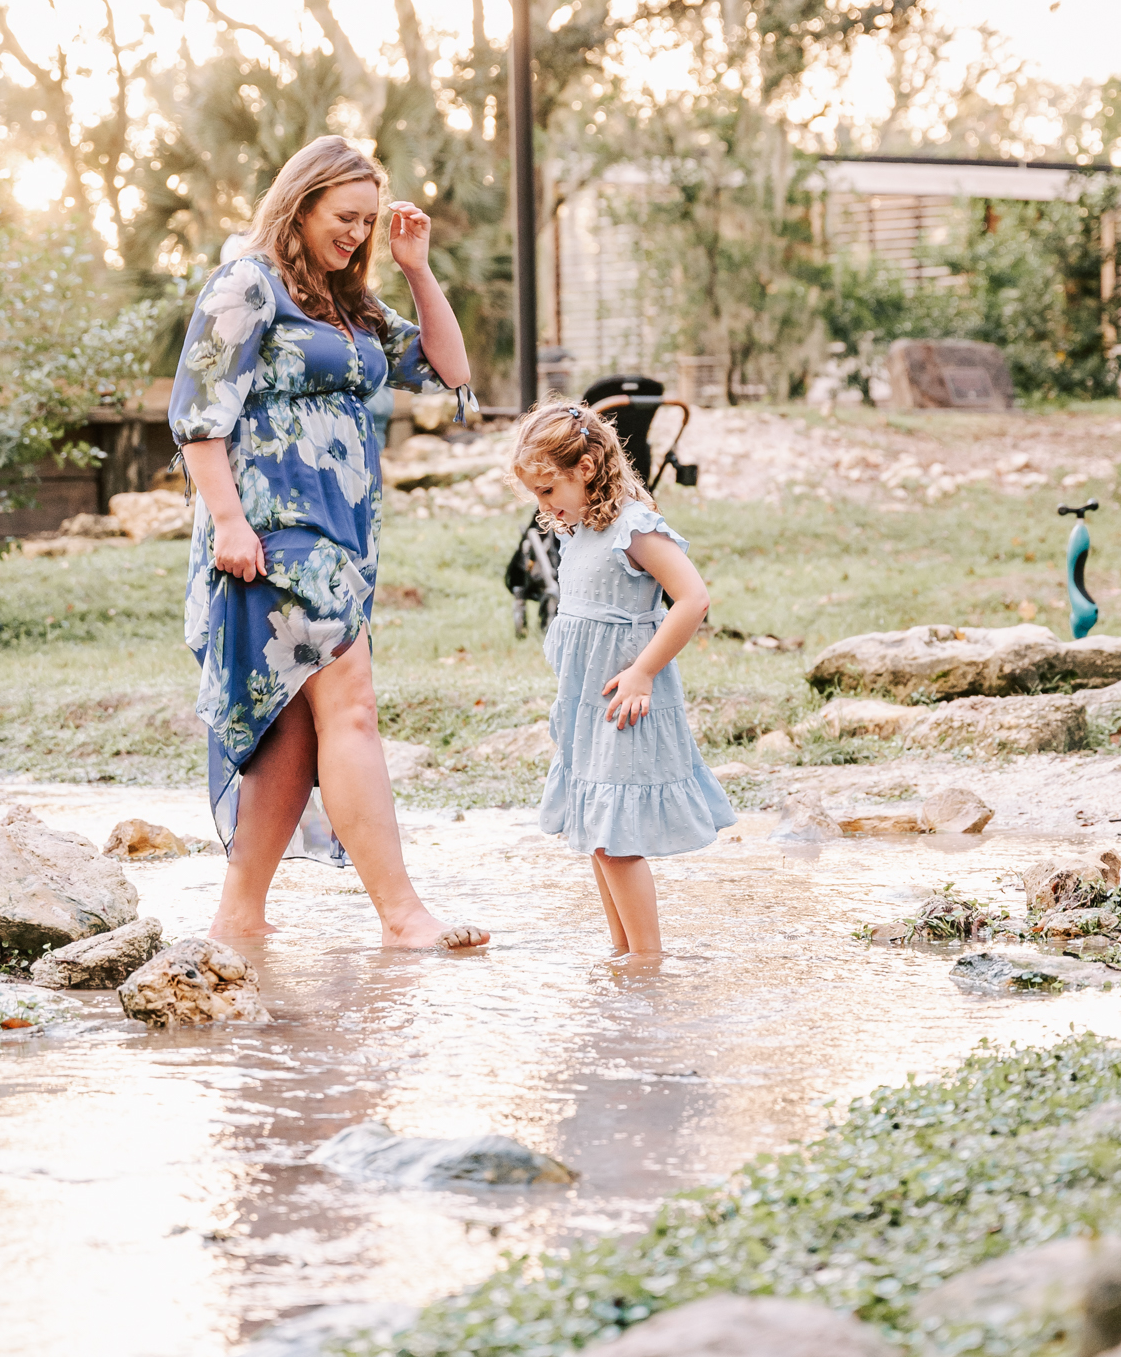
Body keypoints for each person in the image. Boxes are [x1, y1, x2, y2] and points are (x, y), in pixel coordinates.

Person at [169, 135, 488, 952]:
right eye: (344, 216)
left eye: (369, 221)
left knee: (293, 727)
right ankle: (402, 915)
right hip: (276, 533)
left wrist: (415, 266)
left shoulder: (350, 310)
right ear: (301, 203)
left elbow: (448, 372)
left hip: (344, 539)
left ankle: (238, 917)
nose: (356, 233)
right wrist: (232, 524)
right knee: (352, 707)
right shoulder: (249, 281)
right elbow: (199, 413)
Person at [509, 402, 735, 954]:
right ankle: (622, 954)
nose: (544, 507)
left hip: (624, 698)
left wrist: (642, 672)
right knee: (594, 830)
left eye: (547, 491)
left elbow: (693, 598)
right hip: (586, 698)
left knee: (613, 835)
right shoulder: (579, 525)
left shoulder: (631, 526)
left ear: (584, 469)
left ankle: (647, 961)